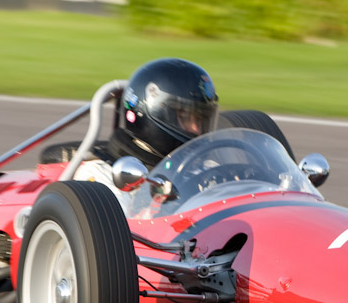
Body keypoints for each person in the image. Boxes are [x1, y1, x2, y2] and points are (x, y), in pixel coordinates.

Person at [41, 58, 220, 205]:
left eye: (201, 120)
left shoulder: (205, 169)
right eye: (186, 117)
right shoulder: (104, 179)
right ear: (154, 112)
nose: (197, 129)